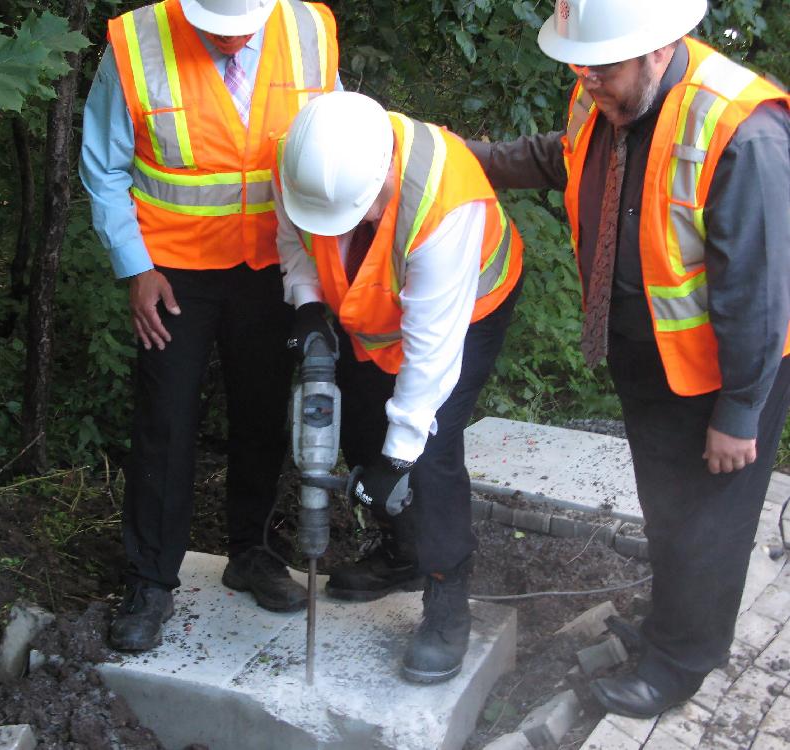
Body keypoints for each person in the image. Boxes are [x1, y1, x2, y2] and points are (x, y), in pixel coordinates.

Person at [467, 0, 790, 718]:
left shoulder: (739, 130)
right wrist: (477, 159)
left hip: (726, 372)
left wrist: (740, 411)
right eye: (579, 68)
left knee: (710, 523)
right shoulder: (606, 93)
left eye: (600, 69)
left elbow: (762, 290)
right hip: (649, 358)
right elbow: (563, 156)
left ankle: (679, 664)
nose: (586, 84)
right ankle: (667, 625)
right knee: (670, 509)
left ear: (657, 48)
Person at [79, 0, 340, 652]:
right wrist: (134, 266)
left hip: (275, 261)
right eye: (215, 32)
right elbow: (104, 165)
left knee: (259, 414)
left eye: (240, 31)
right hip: (174, 272)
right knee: (166, 420)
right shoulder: (137, 44)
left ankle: (250, 551)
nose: (230, 43)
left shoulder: (308, 30)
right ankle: (150, 582)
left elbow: (334, 142)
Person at [275, 91, 524, 684]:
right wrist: (307, 302)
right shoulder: (303, 161)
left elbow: (431, 353)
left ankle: (446, 600)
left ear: (384, 172)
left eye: (356, 213)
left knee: (429, 453)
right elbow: (295, 239)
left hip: (465, 309)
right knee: (363, 427)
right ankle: (406, 552)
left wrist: (401, 452)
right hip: (371, 314)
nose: (347, 225)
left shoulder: (447, 201)